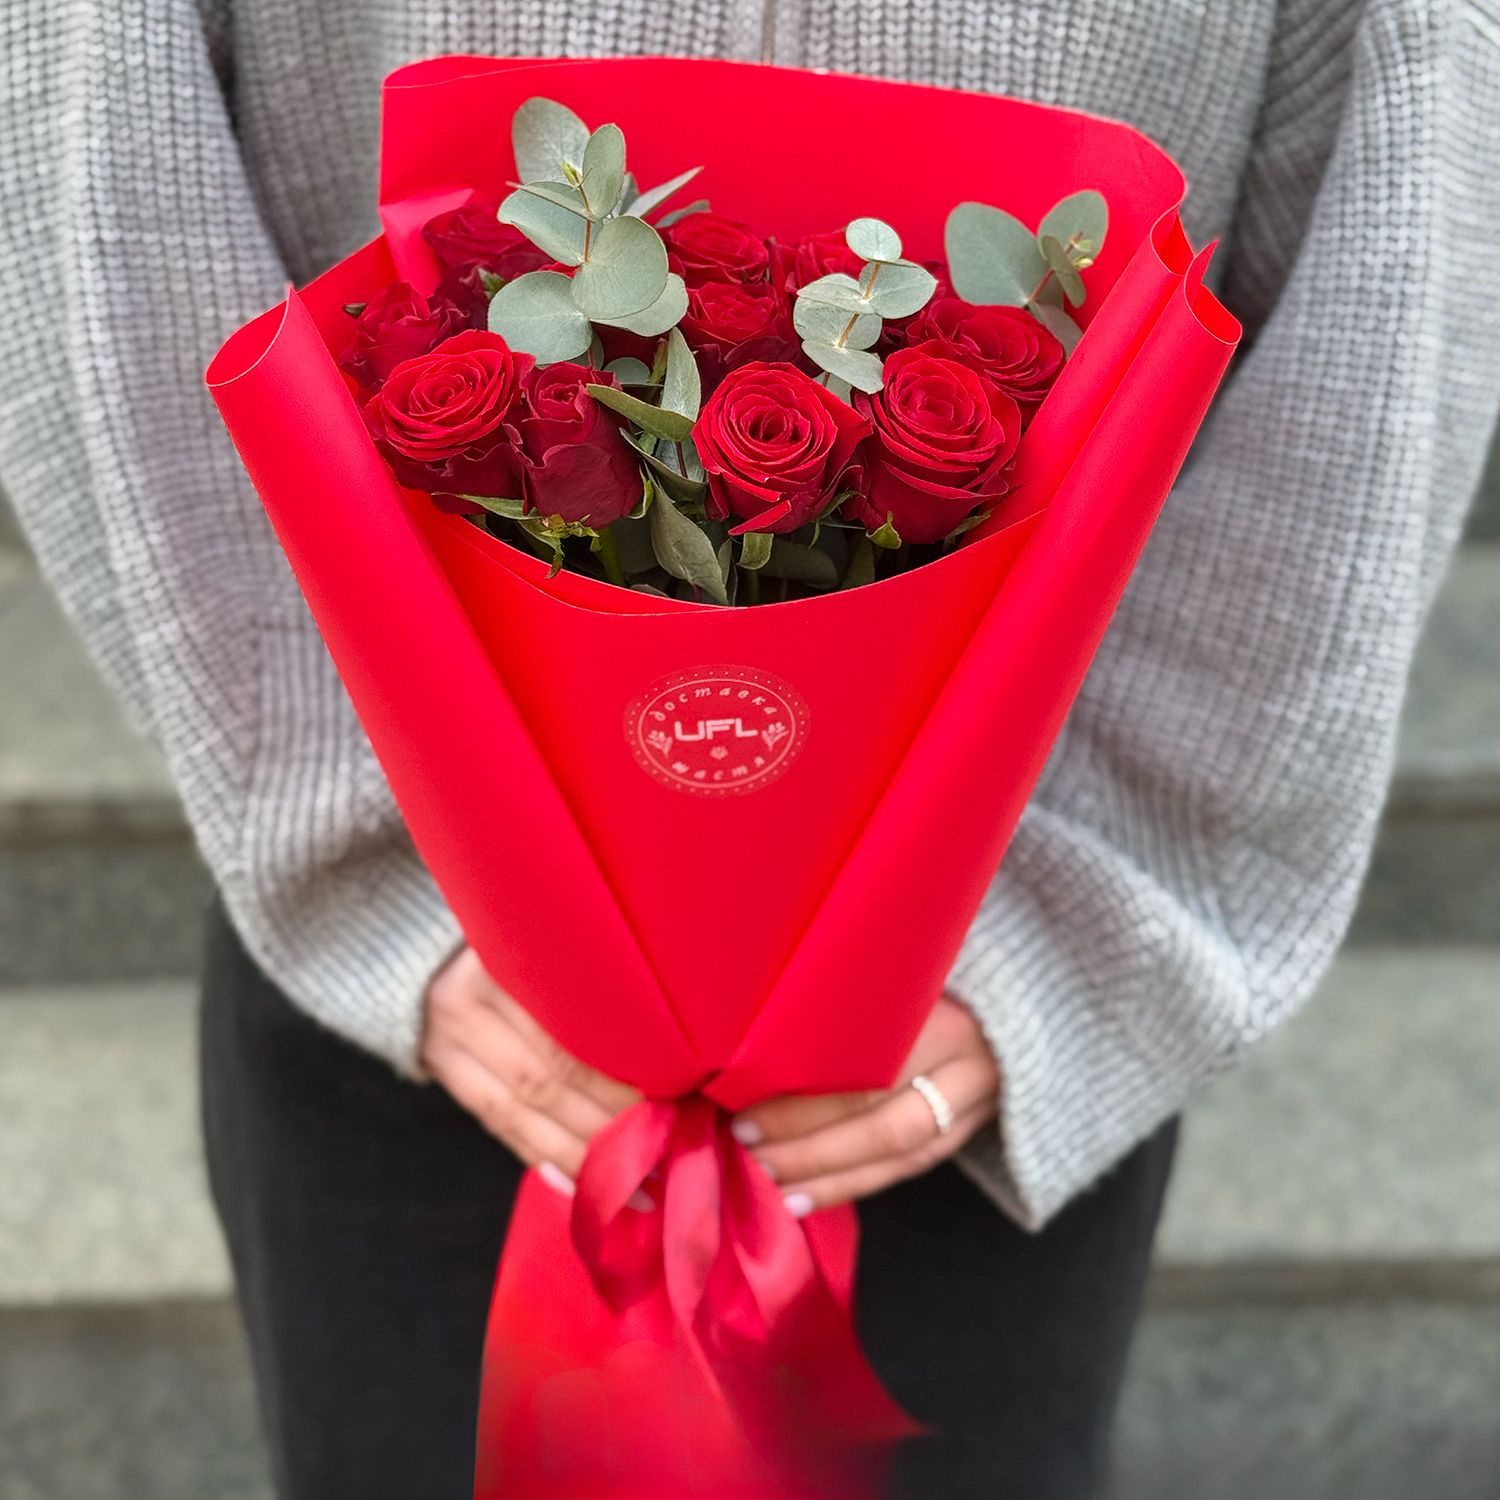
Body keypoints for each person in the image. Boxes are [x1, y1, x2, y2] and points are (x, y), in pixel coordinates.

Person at [2, 3, 1497, 1497]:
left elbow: (1388, 293)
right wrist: (371, 850)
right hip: (444, 1013)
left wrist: (1079, 917)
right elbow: (105, 195)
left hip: (959, 1038)